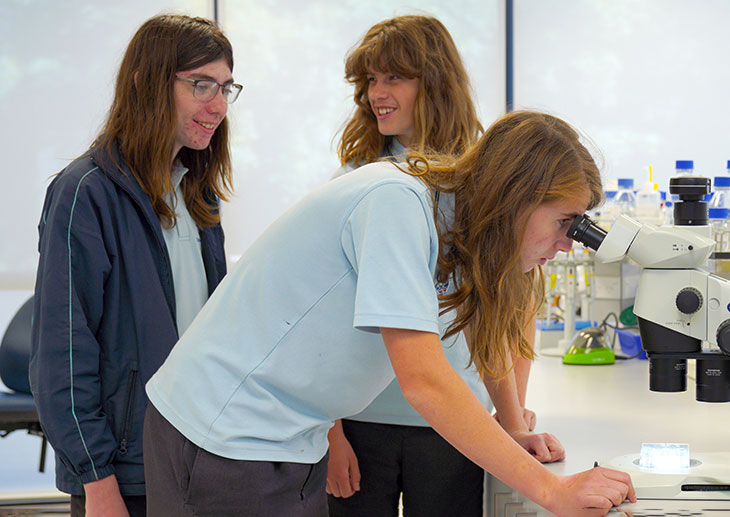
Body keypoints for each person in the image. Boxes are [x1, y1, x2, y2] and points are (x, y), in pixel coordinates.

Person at [142, 111, 636, 516]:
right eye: (564, 222)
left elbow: (486, 335)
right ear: (515, 198)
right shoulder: (397, 203)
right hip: (224, 437)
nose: (570, 243)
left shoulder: (457, 231)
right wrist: (552, 492)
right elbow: (424, 380)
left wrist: (514, 427)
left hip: (288, 435)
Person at [325, 16, 558, 516]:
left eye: (393, 77)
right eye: (370, 80)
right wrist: (329, 432)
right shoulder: (357, 180)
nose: (376, 94)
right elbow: (322, 319)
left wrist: (512, 423)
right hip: (361, 424)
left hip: (452, 423)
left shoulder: (480, 181)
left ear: (434, 83)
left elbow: (498, 313)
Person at [28, 14, 238, 517]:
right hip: (125, 474)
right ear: (146, 81)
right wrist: (95, 481)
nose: (217, 106)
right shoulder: (85, 193)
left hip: (198, 456)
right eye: (200, 85)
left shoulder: (197, 190)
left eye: (227, 88)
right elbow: (63, 353)